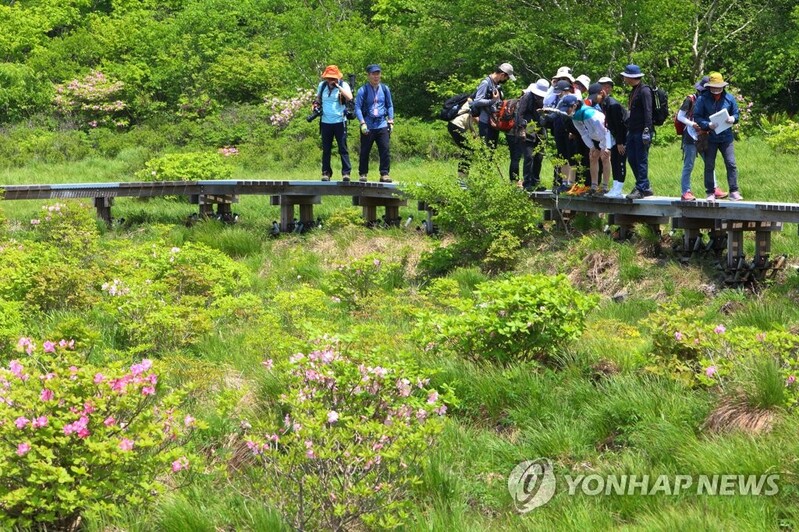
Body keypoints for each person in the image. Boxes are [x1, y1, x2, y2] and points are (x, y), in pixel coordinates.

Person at [676, 76, 728, 201]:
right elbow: (680, 116)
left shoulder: (711, 101)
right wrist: (692, 124)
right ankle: (685, 191)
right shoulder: (690, 99)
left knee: (709, 162)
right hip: (690, 135)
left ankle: (714, 188)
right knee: (689, 164)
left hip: (704, 135)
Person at [693, 71, 742, 201]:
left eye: (718, 87)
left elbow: (736, 114)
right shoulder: (702, 99)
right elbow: (697, 116)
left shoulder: (730, 98)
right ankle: (710, 192)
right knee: (709, 165)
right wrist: (707, 125)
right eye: (713, 87)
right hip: (710, 136)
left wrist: (733, 118)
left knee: (731, 163)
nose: (716, 90)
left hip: (726, 137)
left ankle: (734, 191)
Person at [560, 94, 611, 195]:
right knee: (592, 157)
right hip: (594, 136)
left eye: (567, 109)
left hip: (605, 135)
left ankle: (605, 187)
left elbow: (606, 131)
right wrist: (591, 147)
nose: (566, 111)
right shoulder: (575, 116)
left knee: (605, 157)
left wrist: (606, 147)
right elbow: (583, 133)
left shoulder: (590, 115)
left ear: (574, 106)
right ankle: (594, 186)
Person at [355, 64, 394, 182]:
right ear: (368, 75)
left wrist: (391, 120)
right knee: (365, 150)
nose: (376, 76)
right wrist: (362, 123)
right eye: (373, 74)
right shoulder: (363, 90)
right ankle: (363, 174)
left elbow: (390, 105)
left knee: (385, 149)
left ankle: (384, 173)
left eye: (378, 74)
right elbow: (357, 108)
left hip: (382, 123)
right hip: (368, 124)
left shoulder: (385, 89)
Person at [508, 78, 549, 191]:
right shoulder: (527, 97)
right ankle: (527, 183)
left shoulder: (547, 98)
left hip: (541, 128)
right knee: (529, 156)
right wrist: (521, 129)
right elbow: (519, 114)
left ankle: (536, 182)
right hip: (528, 128)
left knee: (539, 157)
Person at [620, 64, 654, 200]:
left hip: (642, 131)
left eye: (625, 76)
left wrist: (647, 130)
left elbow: (648, 111)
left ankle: (640, 188)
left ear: (631, 77)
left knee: (641, 159)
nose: (624, 79)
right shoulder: (634, 90)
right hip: (633, 130)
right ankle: (645, 186)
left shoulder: (644, 91)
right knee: (632, 158)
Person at [314, 65, 353, 182]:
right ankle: (326, 172)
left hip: (340, 121)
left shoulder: (343, 85)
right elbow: (318, 99)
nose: (331, 80)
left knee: (342, 148)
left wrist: (337, 86)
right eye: (329, 78)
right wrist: (315, 105)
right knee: (326, 149)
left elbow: (350, 97)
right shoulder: (322, 86)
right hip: (325, 122)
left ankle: (346, 173)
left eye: (333, 78)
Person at [471, 63, 515, 149]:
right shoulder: (485, 83)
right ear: (502, 75)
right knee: (486, 150)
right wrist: (492, 101)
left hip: (494, 122)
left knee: (493, 149)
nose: (507, 80)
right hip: (485, 123)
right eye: (507, 78)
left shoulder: (495, 84)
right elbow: (477, 101)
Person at [597, 76, 627, 198]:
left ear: (608, 89)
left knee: (620, 162)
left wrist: (620, 142)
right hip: (614, 137)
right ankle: (615, 187)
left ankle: (619, 188)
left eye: (603, 87)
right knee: (614, 161)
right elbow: (609, 126)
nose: (599, 91)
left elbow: (620, 125)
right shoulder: (604, 104)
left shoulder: (613, 104)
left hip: (623, 137)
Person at [447, 97, 476, 177]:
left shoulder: (469, 102)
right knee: (468, 151)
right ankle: (462, 177)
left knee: (467, 150)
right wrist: (475, 134)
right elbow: (472, 121)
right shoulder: (473, 103)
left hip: (452, 125)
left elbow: (469, 121)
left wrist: (474, 134)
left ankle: (462, 176)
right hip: (457, 125)